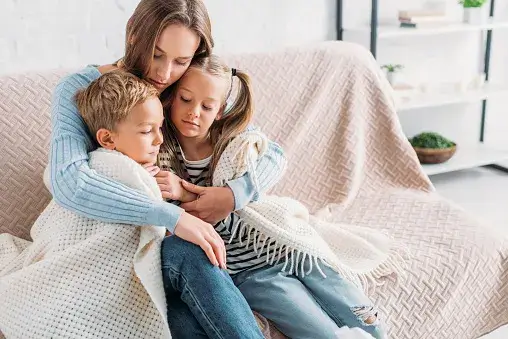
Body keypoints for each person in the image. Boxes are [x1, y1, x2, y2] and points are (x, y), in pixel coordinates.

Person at [49, 0, 284, 337]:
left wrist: (233, 195)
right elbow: (70, 182)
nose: (163, 73)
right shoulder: (80, 90)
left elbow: (270, 152)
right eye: (156, 54)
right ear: (134, 34)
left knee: (182, 307)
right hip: (121, 247)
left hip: (168, 248)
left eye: (180, 61)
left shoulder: (185, 90)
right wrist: (172, 216)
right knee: (181, 277)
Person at [158, 54, 387, 339]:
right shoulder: (161, 149)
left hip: (286, 245)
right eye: (186, 99)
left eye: (207, 106)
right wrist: (181, 193)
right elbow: (182, 220)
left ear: (220, 111)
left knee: (369, 321)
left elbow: (274, 157)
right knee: (322, 333)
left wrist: (232, 194)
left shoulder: (233, 137)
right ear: (171, 98)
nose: (194, 112)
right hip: (251, 274)